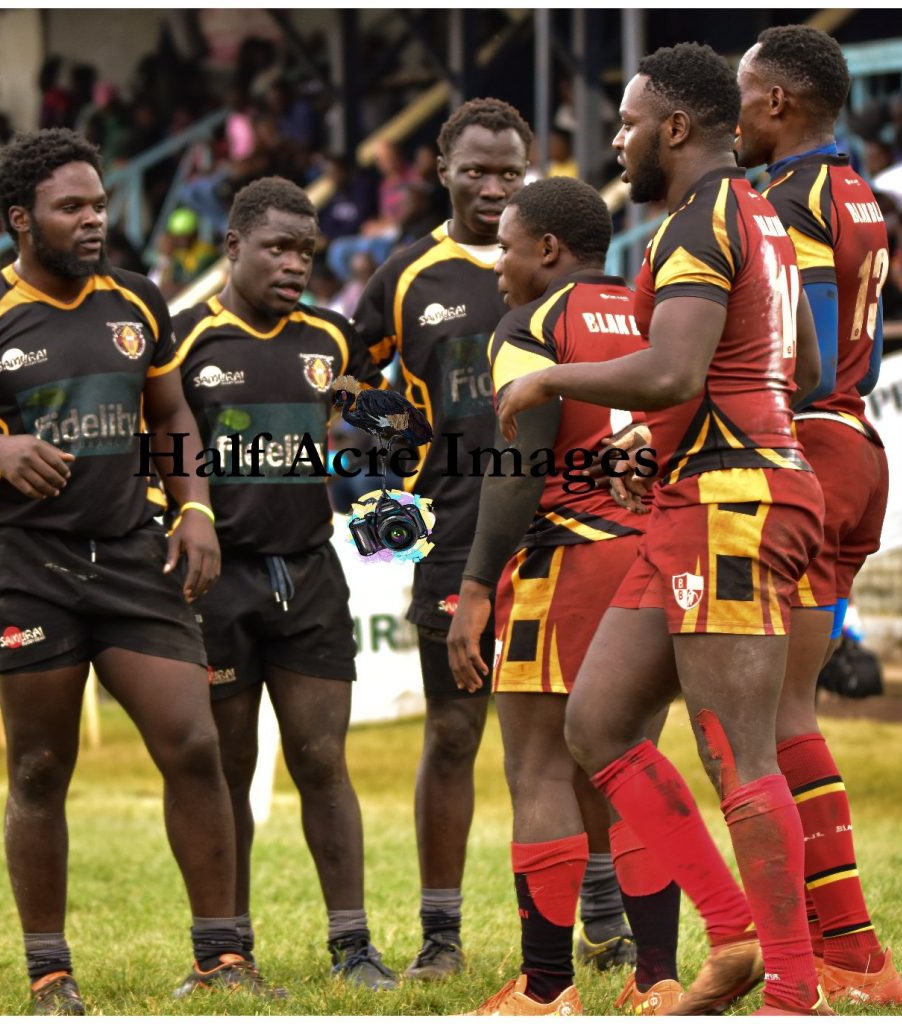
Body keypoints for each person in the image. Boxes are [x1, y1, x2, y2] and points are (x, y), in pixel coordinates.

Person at [0, 128, 270, 1013]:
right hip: (27, 568)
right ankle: (49, 973)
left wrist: (194, 506)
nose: (94, 219)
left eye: (100, 203)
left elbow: (172, 410)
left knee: (193, 744)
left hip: (134, 558)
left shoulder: (139, 302)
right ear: (21, 220)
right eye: (73, 207)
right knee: (37, 766)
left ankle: (221, 959)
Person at [497, 44, 827, 1015]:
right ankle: (730, 941)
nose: (618, 140)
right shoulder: (757, 216)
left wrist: (548, 377)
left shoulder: (694, 223)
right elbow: (798, 364)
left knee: (738, 750)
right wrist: (688, 431)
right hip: (709, 490)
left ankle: (794, 990)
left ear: (674, 129)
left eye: (628, 123)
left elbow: (673, 371)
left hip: (731, 499)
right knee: (597, 721)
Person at [352, 98, 635, 979]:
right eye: (474, 170)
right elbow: (356, 396)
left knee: (588, 725)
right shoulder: (404, 277)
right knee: (452, 731)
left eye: (508, 172)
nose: (490, 186)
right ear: (440, 169)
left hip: (572, 527)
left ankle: (602, 914)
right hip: (457, 533)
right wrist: (385, 492)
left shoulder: (574, 274)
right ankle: (441, 936)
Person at [447, 177, 680, 1015]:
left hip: (569, 562)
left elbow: (520, 467)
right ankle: (657, 978)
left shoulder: (531, 324)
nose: (497, 266)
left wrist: (474, 586)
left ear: (546, 249)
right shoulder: (653, 312)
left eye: (505, 247)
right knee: (625, 767)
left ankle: (545, 989)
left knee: (538, 767)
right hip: (651, 557)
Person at [170, 176, 396, 989]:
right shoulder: (182, 339)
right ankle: (227, 952)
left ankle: (353, 948)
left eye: (306, 250)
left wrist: (387, 519)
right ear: (232, 248)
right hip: (215, 583)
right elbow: (154, 452)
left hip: (308, 575)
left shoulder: (332, 339)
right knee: (226, 768)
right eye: (277, 248)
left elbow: (383, 429)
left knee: (320, 758)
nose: (295, 264)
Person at [736, 24, 902, 1006]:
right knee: (778, 710)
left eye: (744, 93)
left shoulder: (790, 199)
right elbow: (861, 356)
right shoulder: (857, 189)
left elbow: (804, 349)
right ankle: (846, 950)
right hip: (852, 439)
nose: (735, 109)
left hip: (802, 444)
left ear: (777, 106)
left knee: (762, 718)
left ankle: (838, 951)